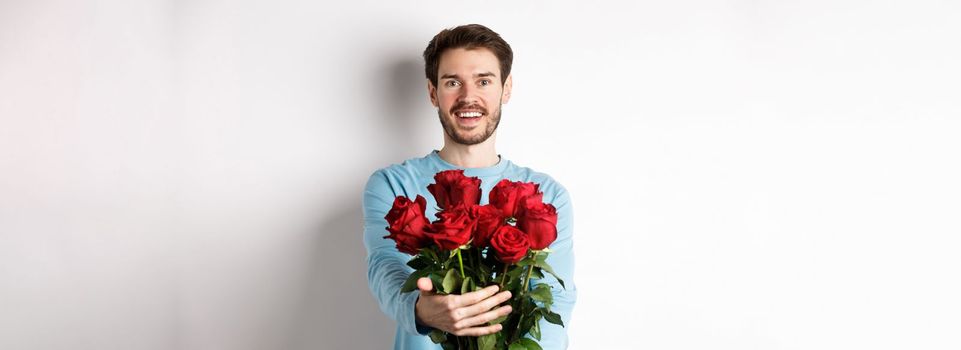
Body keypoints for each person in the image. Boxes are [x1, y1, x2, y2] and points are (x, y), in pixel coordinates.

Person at [362, 24, 576, 350]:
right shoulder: (392, 185)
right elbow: (385, 270)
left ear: (506, 89)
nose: (468, 97)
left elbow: (555, 300)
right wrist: (421, 310)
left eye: (484, 81)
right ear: (432, 92)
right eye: (452, 82)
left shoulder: (546, 195)